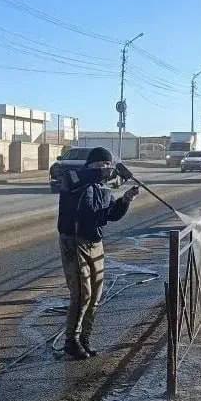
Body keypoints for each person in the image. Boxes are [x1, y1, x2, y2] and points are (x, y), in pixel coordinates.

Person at [57, 147, 139, 360]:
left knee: (96, 294)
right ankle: (71, 341)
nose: (104, 169)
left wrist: (125, 200)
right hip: (74, 242)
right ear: (92, 165)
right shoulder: (73, 179)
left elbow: (110, 214)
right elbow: (79, 188)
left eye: (107, 165)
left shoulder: (103, 189)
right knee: (82, 293)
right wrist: (109, 171)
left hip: (95, 242)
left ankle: (84, 338)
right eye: (101, 165)